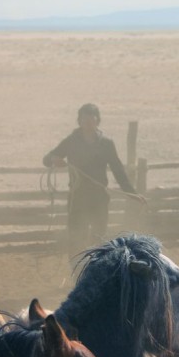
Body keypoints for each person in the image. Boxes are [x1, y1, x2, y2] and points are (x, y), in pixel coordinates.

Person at [43, 103, 145, 259]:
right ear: (79, 121)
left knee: (99, 239)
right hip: (77, 199)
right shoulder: (71, 141)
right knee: (76, 239)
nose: (88, 123)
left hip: (99, 199)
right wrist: (54, 159)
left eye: (91, 120)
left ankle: (98, 273)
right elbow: (47, 159)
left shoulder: (106, 144)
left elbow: (118, 170)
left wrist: (132, 193)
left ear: (98, 121)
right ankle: (77, 273)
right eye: (84, 120)